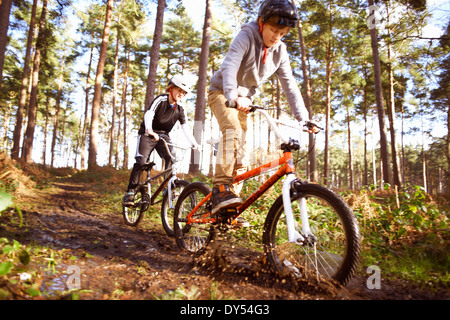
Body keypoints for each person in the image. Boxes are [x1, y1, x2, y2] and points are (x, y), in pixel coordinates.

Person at [208, 0, 319, 215]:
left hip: (244, 101)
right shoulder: (246, 36)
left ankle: (229, 206)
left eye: (282, 33)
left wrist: (303, 118)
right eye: (273, 30)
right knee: (232, 131)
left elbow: (290, 85)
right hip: (223, 92)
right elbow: (230, 65)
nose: (276, 36)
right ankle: (220, 189)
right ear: (261, 23)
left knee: (242, 151)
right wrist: (232, 95)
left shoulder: (280, 51)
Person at [123, 74, 200, 206]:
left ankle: (167, 188)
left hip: (163, 135)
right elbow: (149, 114)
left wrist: (194, 143)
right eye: (179, 90)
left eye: (184, 92)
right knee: (141, 161)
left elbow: (185, 127)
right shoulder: (161, 100)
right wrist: (149, 130)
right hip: (148, 134)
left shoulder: (180, 108)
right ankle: (130, 192)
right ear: (171, 88)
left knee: (171, 158)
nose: (181, 94)